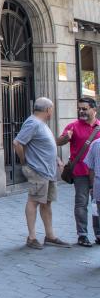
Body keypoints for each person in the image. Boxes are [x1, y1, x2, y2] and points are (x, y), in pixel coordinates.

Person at [13, 97, 70, 249]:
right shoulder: (32, 123)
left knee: (47, 202)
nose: (52, 112)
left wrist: (57, 159)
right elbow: (17, 143)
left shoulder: (42, 124)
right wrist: (24, 161)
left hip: (48, 171)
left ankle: (50, 236)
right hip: (38, 170)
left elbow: (45, 146)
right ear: (48, 110)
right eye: (52, 109)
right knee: (34, 201)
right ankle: (31, 238)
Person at [57, 97, 100, 246]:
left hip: (98, 174)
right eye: (79, 109)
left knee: (97, 204)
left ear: (94, 110)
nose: (81, 111)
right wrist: (65, 138)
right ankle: (82, 235)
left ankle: (99, 234)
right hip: (80, 172)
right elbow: (58, 142)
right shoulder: (73, 126)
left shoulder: (99, 127)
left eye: (84, 109)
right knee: (81, 204)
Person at [84, 130, 100, 245]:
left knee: (97, 211)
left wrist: (91, 185)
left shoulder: (95, 144)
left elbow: (91, 168)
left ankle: (98, 234)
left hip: (98, 184)